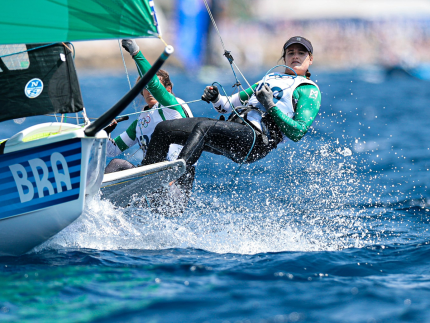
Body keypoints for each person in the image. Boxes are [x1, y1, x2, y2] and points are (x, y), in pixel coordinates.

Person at [141, 36, 321, 168]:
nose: (295, 56)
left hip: (256, 141)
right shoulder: (270, 78)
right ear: (284, 58)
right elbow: (227, 105)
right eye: (291, 53)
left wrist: (270, 105)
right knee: (164, 129)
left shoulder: (308, 89)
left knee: (203, 127)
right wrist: (216, 98)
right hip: (236, 130)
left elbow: (298, 132)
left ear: (310, 58)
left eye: (301, 53)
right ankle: (147, 181)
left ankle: (176, 174)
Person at [105, 39, 195, 212]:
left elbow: (154, 84)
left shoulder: (173, 106)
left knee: (156, 176)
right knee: (116, 164)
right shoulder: (140, 123)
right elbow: (112, 150)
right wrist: (106, 133)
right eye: (145, 87)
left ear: (168, 89)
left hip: (176, 182)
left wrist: (136, 53)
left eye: (153, 86)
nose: (150, 90)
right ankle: (101, 210)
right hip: (152, 181)